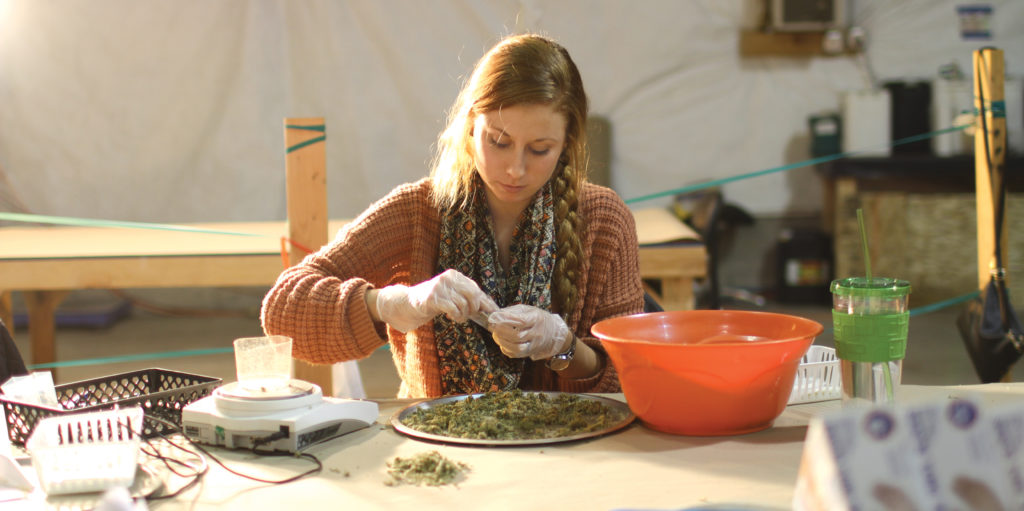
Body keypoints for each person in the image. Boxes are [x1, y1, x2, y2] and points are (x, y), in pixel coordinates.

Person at [260, 33, 643, 398]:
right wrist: (391, 304)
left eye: (540, 149)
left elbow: (634, 375)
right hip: (440, 445)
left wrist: (563, 347)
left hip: (567, 451)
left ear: (567, 145)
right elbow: (282, 312)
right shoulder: (418, 211)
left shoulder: (603, 221)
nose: (515, 169)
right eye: (498, 142)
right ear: (470, 128)